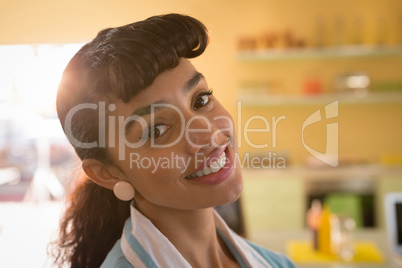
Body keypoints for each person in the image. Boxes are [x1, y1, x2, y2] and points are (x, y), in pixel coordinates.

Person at [51, 13, 297, 268]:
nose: (208, 133)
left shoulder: (278, 264)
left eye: (201, 100)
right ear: (107, 173)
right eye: (157, 129)